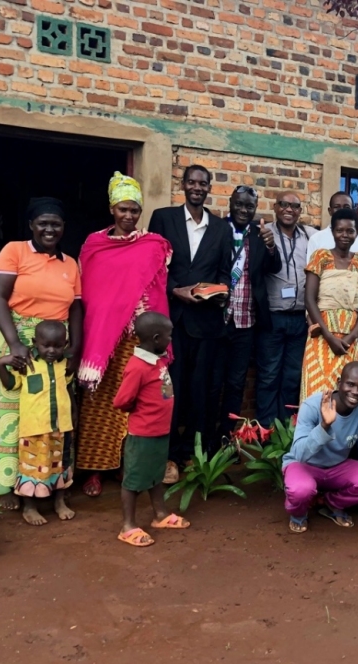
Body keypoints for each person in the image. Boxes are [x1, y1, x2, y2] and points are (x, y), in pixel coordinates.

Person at [75, 172, 173, 497]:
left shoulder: (154, 246)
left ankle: (125, 467)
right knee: (100, 406)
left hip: (138, 341)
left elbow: (158, 292)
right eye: (123, 209)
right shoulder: (94, 246)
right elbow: (91, 294)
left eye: (134, 210)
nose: (129, 216)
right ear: (111, 209)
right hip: (104, 343)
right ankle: (94, 471)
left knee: (135, 406)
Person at [0, 197, 83, 510]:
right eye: (42, 223)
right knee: (14, 413)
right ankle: (8, 484)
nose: (49, 229)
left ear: (63, 228)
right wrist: (15, 343)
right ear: (31, 225)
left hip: (56, 343)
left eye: (55, 224)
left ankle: (53, 482)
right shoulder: (14, 251)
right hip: (18, 337)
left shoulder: (70, 263)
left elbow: (76, 308)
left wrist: (75, 348)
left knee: (54, 414)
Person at [147, 165, 232, 475]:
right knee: (171, 389)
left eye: (203, 183)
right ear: (183, 185)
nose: (197, 187)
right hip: (171, 322)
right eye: (192, 182)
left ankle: (190, 451)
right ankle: (167, 454)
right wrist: (175, 291)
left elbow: (225, 275)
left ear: (209, 188)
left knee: (201, 390)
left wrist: (213, 292)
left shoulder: (221, 229)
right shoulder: (163, 218)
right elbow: (153, 267)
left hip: (206, 322)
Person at [206, 185, 281, 445]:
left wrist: (271, 247)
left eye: (249, 206)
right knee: (212, 383)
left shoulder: (260, 234)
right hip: (217, 320)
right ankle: (206, 437)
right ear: (230, 203)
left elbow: (274, 267)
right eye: (239, 204)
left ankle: (226, 434)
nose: (243, 210)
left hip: (246, 322)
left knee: (237, 383)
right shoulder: (216, 228)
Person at [112, 312, 190, 546]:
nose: (170, 340)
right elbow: (122, 400)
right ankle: (128, 526)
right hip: (143, 434)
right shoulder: (137, 367)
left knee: (156, 475)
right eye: (168, 336)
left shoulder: (157, 360)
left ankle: (160, 514)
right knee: (134, 480)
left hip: (160, 431)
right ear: (156, 338)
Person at [282, 361, 358, 533]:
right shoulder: (313, 405)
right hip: (305, 465)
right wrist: (323, 426)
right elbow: (299, 454)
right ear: (339, 382)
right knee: (301, 489)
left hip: (336, 467)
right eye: (350, 384)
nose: (355, 392)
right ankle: (298, 513)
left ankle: (331, 503)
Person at [0, 320, 75, 525]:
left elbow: (67, 390)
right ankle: (29, 507)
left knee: (61, 465)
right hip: (34, 428)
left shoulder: (65, 364)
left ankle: (59, 502)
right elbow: (11, 384)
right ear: (34, 343)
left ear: (65, 344)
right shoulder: (27, 364)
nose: (51, 350)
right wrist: (2, 363)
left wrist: (73, 415)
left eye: (57, 346)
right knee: (31, 466)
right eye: (46, 345)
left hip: (61, 426)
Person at [301, 208, 358, 402]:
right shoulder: (320, 257)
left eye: (350, 231)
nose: (345, 235)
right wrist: (329, 336)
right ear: (332, 231)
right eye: (340, 230)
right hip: (321, 336)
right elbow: (309, 299)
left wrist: (352, 336)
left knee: (347, 393)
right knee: (317, 392)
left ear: (357, 232)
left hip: (350, 336)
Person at [257, 191, 317, 423]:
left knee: (292, 377)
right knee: (269, 375)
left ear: (300, 211)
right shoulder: (264, 233)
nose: (289, 209)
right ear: (275, 207)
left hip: (299, 318)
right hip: (272, 316)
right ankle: (265, 430)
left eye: (295, 206)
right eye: (284, 204)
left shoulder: (309, 237)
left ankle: (285, 430)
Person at [305, 192, 358, 261]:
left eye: (346, 207)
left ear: (352, 209)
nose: (342, 210)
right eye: (337, 207)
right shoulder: (316, 239)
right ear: (330, 211)